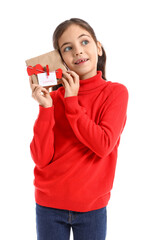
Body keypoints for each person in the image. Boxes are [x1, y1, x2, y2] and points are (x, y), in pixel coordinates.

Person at [29, 18, 129, 240]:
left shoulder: (115, 93)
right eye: (68, 48)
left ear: (98, 47)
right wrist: (46, 109)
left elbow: (103, 145)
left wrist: (72, 102)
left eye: (84, 42)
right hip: (48, 205)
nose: (77, 51)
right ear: (60, 59)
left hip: (92, 208)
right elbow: (41, 158)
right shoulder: (53, 99)